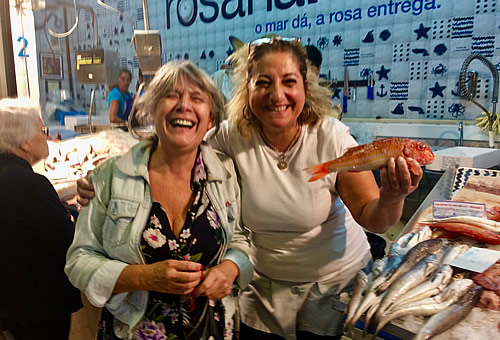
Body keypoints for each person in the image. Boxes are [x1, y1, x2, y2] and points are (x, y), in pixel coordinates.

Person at [77, 38, 423, 340]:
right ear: (247, 88)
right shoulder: (229, 137)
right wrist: (109, 178)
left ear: (306, 87)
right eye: (263, 83)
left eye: (289, 82)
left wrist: (393, 196)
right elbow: (178, 144)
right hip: (261, 288)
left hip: (329, 286)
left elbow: (373, 218)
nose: (277, 95)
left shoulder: (329, 136)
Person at [66, 60, 253, 339]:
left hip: (211, 328)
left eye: (197, 98)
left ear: (211, 119)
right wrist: (144, 277)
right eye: (171, 95)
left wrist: (231, 267)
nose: (184, 105)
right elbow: (78, 261)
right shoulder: (111, 177)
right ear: (152, 111)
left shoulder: (224, 174)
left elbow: (240, 238)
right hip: (133, 329)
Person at [0, 98, 82, 340]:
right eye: (42, 130)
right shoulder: (31, 185)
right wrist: (75, 215)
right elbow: (68, 242)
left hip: (7, 304)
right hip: (38, 308)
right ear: (24, 143)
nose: (47, 136)